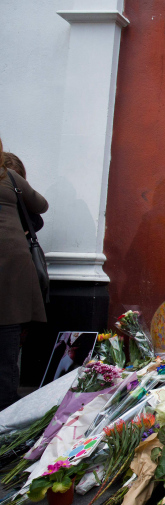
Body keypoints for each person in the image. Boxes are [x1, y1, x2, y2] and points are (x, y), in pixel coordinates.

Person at [0, 137, 49, 410]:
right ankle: (6, 414)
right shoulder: (10, 178)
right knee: (8, 346)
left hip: (11, 274)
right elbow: (41, 206)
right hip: (12, 276)